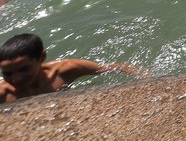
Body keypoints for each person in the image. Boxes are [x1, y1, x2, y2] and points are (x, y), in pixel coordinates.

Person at [0, 33, 145, 103]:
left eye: (24, 69)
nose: (15, 78)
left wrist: (145, 78)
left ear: (42, 57)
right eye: (7, 73)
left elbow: (118, 67)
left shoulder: (67, 69)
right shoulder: (3, 93)